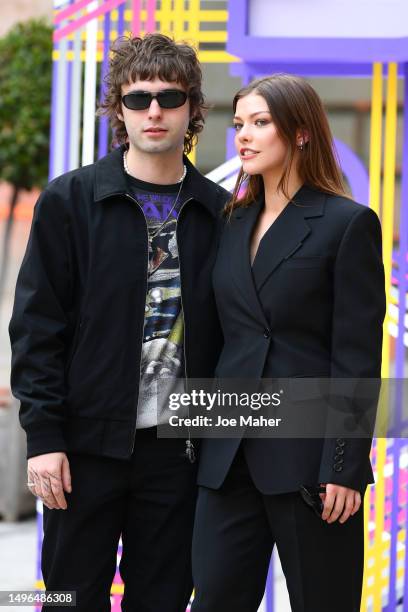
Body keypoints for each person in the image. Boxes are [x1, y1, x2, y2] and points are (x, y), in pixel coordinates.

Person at [9, 33, 228, 612]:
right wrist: (45, 438)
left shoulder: (219, 212)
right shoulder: (70, 201)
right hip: (83, 447)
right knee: (67, 598)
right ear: (118, 109)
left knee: (161, 600)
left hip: (179, 453)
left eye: (169, 97)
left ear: (193, 110)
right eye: (137, 99)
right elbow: (37, 327)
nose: (153, 111)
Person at [191, 74, 386, 612]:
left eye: (260, 123)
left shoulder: (347, 224)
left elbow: (355, 357)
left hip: (309, 466)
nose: (243, 137)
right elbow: (218, 341)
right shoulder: (231, 223)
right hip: (227, 460)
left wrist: (343, 468)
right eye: (238, 125)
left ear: (300, 133)